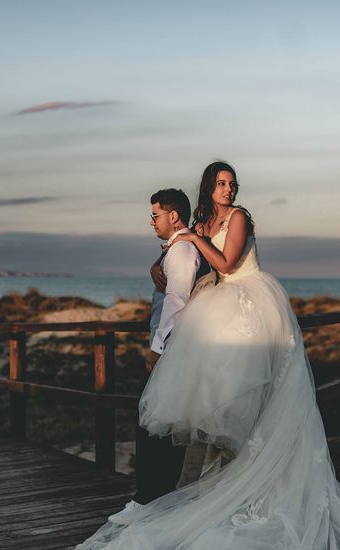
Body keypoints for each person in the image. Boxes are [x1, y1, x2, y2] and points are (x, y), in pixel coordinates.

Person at [77, 163, 340, 549]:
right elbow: (188, 262)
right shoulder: (200, 221)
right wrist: (165, 257)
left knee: (258, 402)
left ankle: (260, 488)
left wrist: (192, 239)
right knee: (220, 405)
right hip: (219, 307)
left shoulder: (239, 218)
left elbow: (228, 264)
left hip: (251, 303)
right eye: (221, 184)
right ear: (208, 188)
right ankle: (223, 486)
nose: (228, 190)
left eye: (232, 184)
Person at [109, 188, 206, 523]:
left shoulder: (181, 252)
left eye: (155, 215)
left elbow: (176, 301)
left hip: (172, 349)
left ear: (173, 216)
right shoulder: (177, 249)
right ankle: (155, 497)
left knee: (152, 422)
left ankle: (150, 499)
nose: (152, 221)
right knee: (157, 421)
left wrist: (156, 349)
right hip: (171, 347)